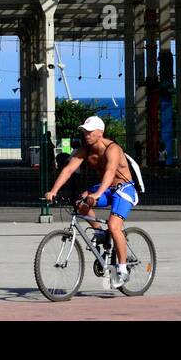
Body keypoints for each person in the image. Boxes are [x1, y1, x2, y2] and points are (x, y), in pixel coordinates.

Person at [43, 116, 139, 289]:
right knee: (80, 202)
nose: (86, 134)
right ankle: (99, 233)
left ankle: (123, 269)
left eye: (90, 131)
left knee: (114, 226)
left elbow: (110, 172)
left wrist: (97, 194)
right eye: (84, 131)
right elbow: (69, 169)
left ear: (100, 133)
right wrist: (54, 191)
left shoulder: (112, 149)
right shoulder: (85, 150)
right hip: (106, 188)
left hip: (124, 189)